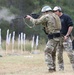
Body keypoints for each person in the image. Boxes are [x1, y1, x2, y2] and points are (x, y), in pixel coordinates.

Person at [26, 5, 62, 72]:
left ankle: (51, 69)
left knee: (47, 52)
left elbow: (36, 22)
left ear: (45, 11)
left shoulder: (46, 16)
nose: (43, 14)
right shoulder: (55, 16)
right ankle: (53, 68)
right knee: (52, 53)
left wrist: (30, 18)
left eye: (43, 12)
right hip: (58, 37)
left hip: (52, 37)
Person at [53, 6, 74, 71]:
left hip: (66, 38)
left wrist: (67, 35)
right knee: (59, 54)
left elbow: (71, 26)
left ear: (59, 11)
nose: (54, 12)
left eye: (55, 11)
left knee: (70, 54)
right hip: (58, 39)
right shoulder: (54, 18)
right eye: (53, 11)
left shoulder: (66, 17)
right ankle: (61, 69)